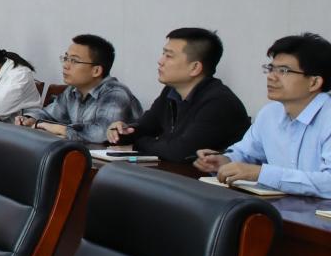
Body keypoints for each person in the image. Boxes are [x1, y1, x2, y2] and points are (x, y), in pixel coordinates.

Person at [198, 32, 331, 198]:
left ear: (314, 82)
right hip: (282, 207)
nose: (271, 77)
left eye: (283, 71)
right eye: (271, 68)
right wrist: (224, 161)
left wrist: (261, 173)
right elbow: (246, 154)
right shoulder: (270, 113)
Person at [108, 28, 251, 163]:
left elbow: (181, 152)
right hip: (174, 175)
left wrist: (136, 144)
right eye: (163, 54)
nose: (160, 61)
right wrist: (121, 132)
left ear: (195, 68)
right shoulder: (171, 91)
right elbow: (145, 127)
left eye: (169, 56)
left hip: (206, 179)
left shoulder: (219, 102)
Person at [16, 34, 141, 141]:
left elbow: (102, 133)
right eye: (66, 58)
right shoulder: (72, 91)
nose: (65, 65)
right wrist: (30, 119)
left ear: (96, 70)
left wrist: (60, 129)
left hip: (119, 161)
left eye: (74, 61)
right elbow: (48, 114)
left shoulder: (115, 94)